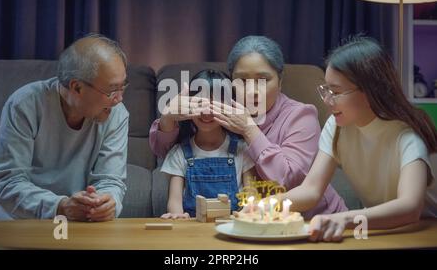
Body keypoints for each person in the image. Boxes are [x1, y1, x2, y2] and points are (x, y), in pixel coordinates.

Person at [151, 36, 347, 219]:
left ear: (280, 82)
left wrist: (249, 129)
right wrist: (168, 117)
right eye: (242, 81)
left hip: (313, 220)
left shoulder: (301, 116)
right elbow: (169, 153)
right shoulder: (220, 112)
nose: (252, 91)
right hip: (250, 223)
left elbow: (290, 181)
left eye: (263, 80)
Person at [275, 36, 437, 241]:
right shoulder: (337, 126)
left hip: (424, 233)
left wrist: (343, 219)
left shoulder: (406, 136)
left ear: (370, 91)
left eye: (335, 92)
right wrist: (264, 206)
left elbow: (410, 207)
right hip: (382, 232)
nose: (326, 100)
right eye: (326, 90)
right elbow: (311, 190)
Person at [0, 34, 129, 221]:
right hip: (16, 224)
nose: (119, 98)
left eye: (123, 87)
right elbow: (6, 183)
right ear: (76, 88)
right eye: (112, 90)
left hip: (77, 224)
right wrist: (60, 206)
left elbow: (111, 180)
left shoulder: (116, 112)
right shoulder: (24, 105)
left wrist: (107, 203)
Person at [160, 69, 255, 219]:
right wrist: (177, 216)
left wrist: (246, 214)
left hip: (233, 228)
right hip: (192, 233)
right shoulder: (179, 153)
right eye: (200, 102)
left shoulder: (242, 149)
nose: (206, 111)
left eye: (214, 104)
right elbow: (174, 203)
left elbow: (251, 199)